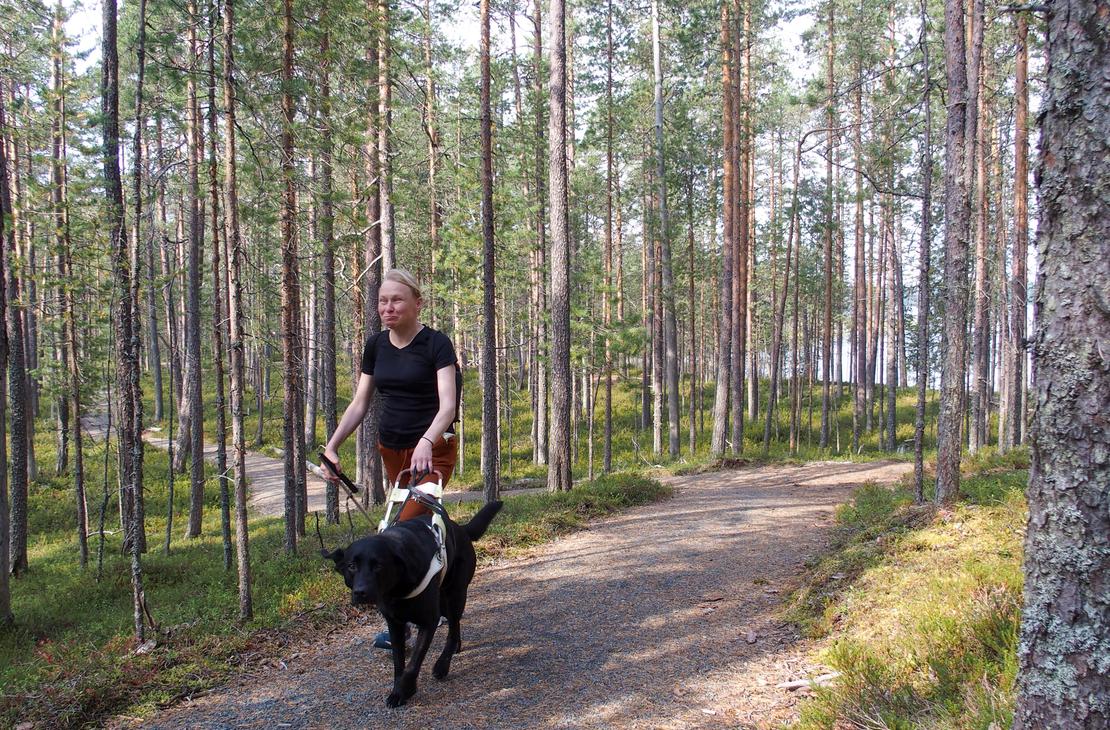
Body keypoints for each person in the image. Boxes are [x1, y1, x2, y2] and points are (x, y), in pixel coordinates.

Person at [321, 268, 460, 647]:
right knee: (417, 525)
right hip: (392, 450)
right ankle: (439, 593)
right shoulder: (376, 346)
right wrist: (332, 446)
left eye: (397, 300)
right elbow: (360, 403)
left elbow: (448, 406)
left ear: (418, 303)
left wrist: (427, 440)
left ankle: (408, 617)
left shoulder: (436, 344)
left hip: (433, 451)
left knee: (403, 528)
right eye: (383, 301)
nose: (388, 307)